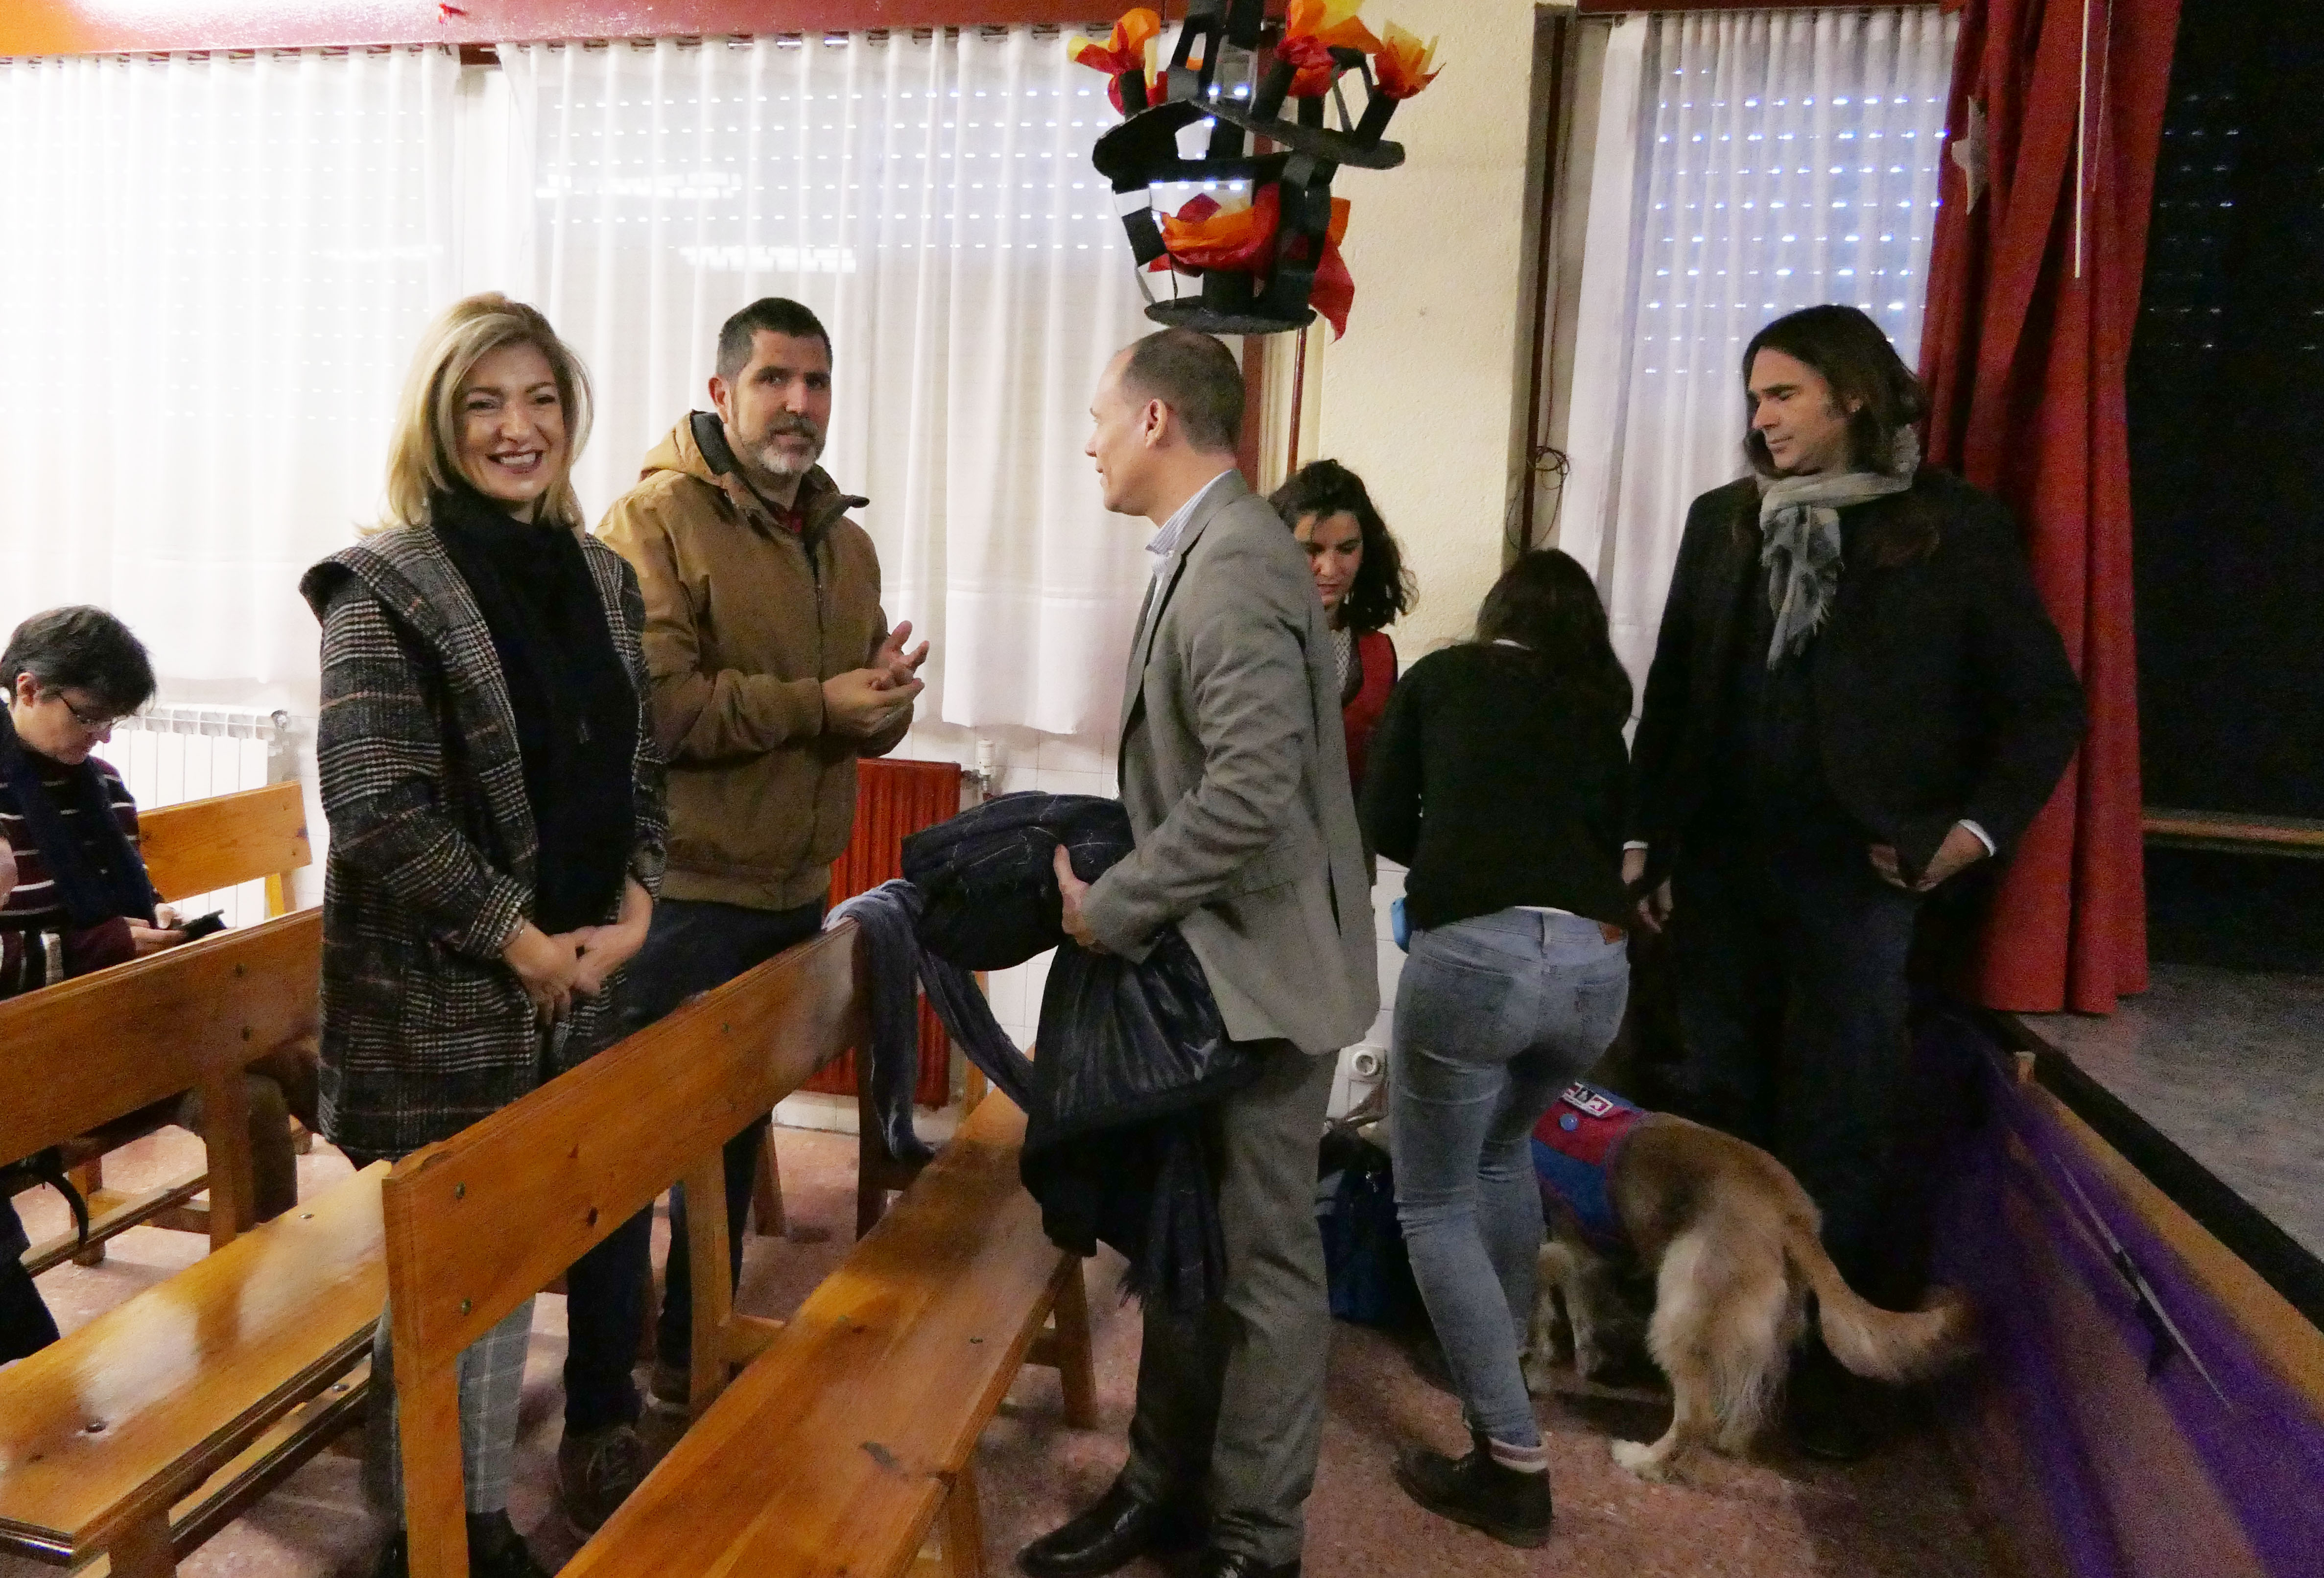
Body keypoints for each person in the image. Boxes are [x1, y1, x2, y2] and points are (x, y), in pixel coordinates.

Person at [1625, 304, 2084, 1458]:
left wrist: (1966, 834)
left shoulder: (1950, 528)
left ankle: (1832, 1388)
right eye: (1755, 398)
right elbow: (1673, 700)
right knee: (1718, 1116)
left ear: (1856, 395)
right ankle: (1719, 1367)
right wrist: (1648, 845)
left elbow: (2043, 706)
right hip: (1720, 876)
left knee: (1844, 1125)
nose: (1762, 418)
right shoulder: (1723, 522)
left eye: (1784, 394)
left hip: (1862, 883)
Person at [299, 293, 665, 1578]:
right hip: (440, 1001)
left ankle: (465, 1515)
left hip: (580, 980)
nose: (520, 428)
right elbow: (375, 806)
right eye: (485, 403)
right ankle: (435, 1530)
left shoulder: (603, 576)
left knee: (512, 1262)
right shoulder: (384, 588)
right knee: (454, 1274)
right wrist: (521, 940)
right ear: (439, 422)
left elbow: (638, 762)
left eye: (542, 399)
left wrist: (638, 903)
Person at [567, 295, 926, 1528]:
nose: (799, 404)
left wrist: (884, 705)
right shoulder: (653, 522)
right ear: (722, 392)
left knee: (728, 1132)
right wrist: (823, 705)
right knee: (625, 1156)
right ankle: (598, 1414)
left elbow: (855, 710)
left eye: (816, 382)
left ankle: (690, 1353)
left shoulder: (842, 538)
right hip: (675, 893)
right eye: (774, 379)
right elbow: (658, 713)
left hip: (787, 886)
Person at [1030, 329, 1377, 1578]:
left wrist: (1112, 905)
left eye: (1099, 418)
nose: (1089, 443)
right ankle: (1166, 1487)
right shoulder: (1216, 546)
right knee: (1191, 1237)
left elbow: (1248, 792)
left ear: (1156, 422)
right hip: (1216, 973)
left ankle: (1256, 1539)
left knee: (1265, 1266)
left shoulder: (1233, 563)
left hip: (1263, 980)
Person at [1357, 550, 1633, 1546]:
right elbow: (1614, 840)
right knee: (1503, 1151)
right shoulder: (1595, 707)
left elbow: (1382, 818)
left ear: (1496, 612)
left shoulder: (1443, 677)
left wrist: (1454, 848)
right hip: (1595, 969)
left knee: (1431, 1200)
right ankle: (1505, 1362)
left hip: (1478, 958)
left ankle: (1511, 1462)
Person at [0, 607, 306, 1360]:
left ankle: (273, 1301)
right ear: (28, 688)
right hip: (31, 1049)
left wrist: (157, 915)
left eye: (114, 720)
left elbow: (127, 897)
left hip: (120, 1018)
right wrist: (99, 944)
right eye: (89, 716)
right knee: (272, 1055)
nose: (102, 737)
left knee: (270, 1073)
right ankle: (400, 1192)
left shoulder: (101, 785)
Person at [1267, 459, 1415, 797]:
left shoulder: (1378, 654)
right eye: (1312, 550)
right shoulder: (1250, 638)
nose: (1331, 568)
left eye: (1347, 549)